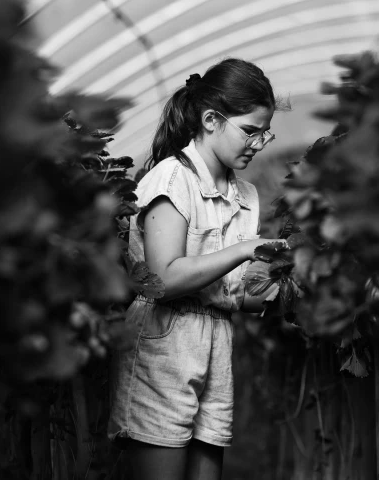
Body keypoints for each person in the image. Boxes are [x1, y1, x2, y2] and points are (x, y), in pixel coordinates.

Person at [108, 58, 285, 480]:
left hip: (216, 346)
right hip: (164, 344)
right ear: (210, 120)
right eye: (249, 131)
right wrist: (245, 249)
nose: (258, 143)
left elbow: (229, 291)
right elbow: (163, 280)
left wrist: (277, 287)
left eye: (265, 132)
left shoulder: (246, 195)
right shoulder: (172, 180)